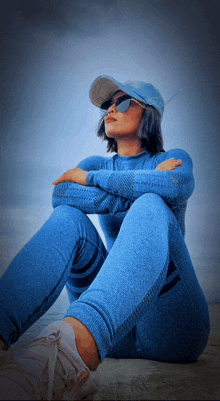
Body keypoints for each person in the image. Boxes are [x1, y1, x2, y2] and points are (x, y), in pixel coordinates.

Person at [0, 75, 210, 400]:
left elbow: (177, 185)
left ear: (149, 113)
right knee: (68, 217)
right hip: (117, 332)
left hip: (172, 326)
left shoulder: (171, 157)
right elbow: (63, 194)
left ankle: (68, 353)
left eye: (123, 101)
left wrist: (94, 181)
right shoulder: (99, 162)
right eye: (106, 104)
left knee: (151, 204)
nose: (111, 108)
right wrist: (145, 183)